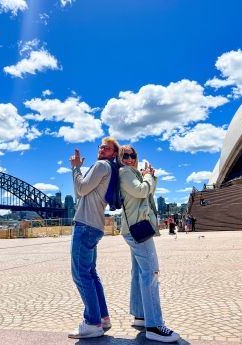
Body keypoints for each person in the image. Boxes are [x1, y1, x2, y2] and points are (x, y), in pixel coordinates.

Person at [118, 144, 180, 343]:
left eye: (132, 155)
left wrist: (149, 176)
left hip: (134, 228)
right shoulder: (125, 173)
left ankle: (141, 316)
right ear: (120, 158)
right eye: (124, 155)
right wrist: (148, 177)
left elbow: (147, 193)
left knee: (138, 273)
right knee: (151, 273)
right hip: (138, 229)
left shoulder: (133, 173)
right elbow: (142, 191)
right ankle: (154, 325)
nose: (129, 158)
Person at [67, 137, 120, 339]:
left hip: (85, 225)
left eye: (106, 148)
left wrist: (75, 168)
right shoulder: (109, 169)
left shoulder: (100, 165)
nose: (101, 149)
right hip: (94, 225)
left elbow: (80, 189)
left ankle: (92, 322)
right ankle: (103, 318)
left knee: (80, 274)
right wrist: (79, 170)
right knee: (90, 274)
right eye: (100, 147)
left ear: (114, 154)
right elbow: (81, 192)